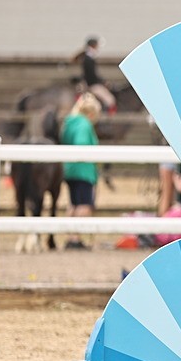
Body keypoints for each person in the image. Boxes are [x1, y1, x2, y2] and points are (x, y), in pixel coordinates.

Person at [61, 93, 101, 250]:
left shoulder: (69, 123)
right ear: (91, 113)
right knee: (84, 204)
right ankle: (76, 238)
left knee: (73, 203)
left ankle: (71, 236)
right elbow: (82, 144)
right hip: (84, 170)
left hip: (70, 169)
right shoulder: (84, 124)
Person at [75, 36, 116, 113]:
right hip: (93, 84)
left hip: (92, 82)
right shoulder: (88, 59)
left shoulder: (88, 57)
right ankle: (107, 119)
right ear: (93, 46)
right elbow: (92, 75)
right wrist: (103, 82)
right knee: (110, 100)